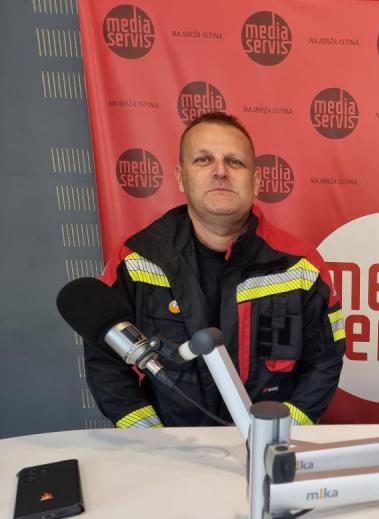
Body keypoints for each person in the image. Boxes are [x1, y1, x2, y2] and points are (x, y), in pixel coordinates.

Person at [85, 112, 345, 428]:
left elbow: (325, 361)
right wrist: (150, 436)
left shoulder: (300, 265)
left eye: (235, 162)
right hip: (170, 445)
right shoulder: (137, 258)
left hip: (267, 442)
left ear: (256, 180)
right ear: (180, 176)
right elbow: (104, 358)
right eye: (203, 160)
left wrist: (278, 434)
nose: (220, 172)